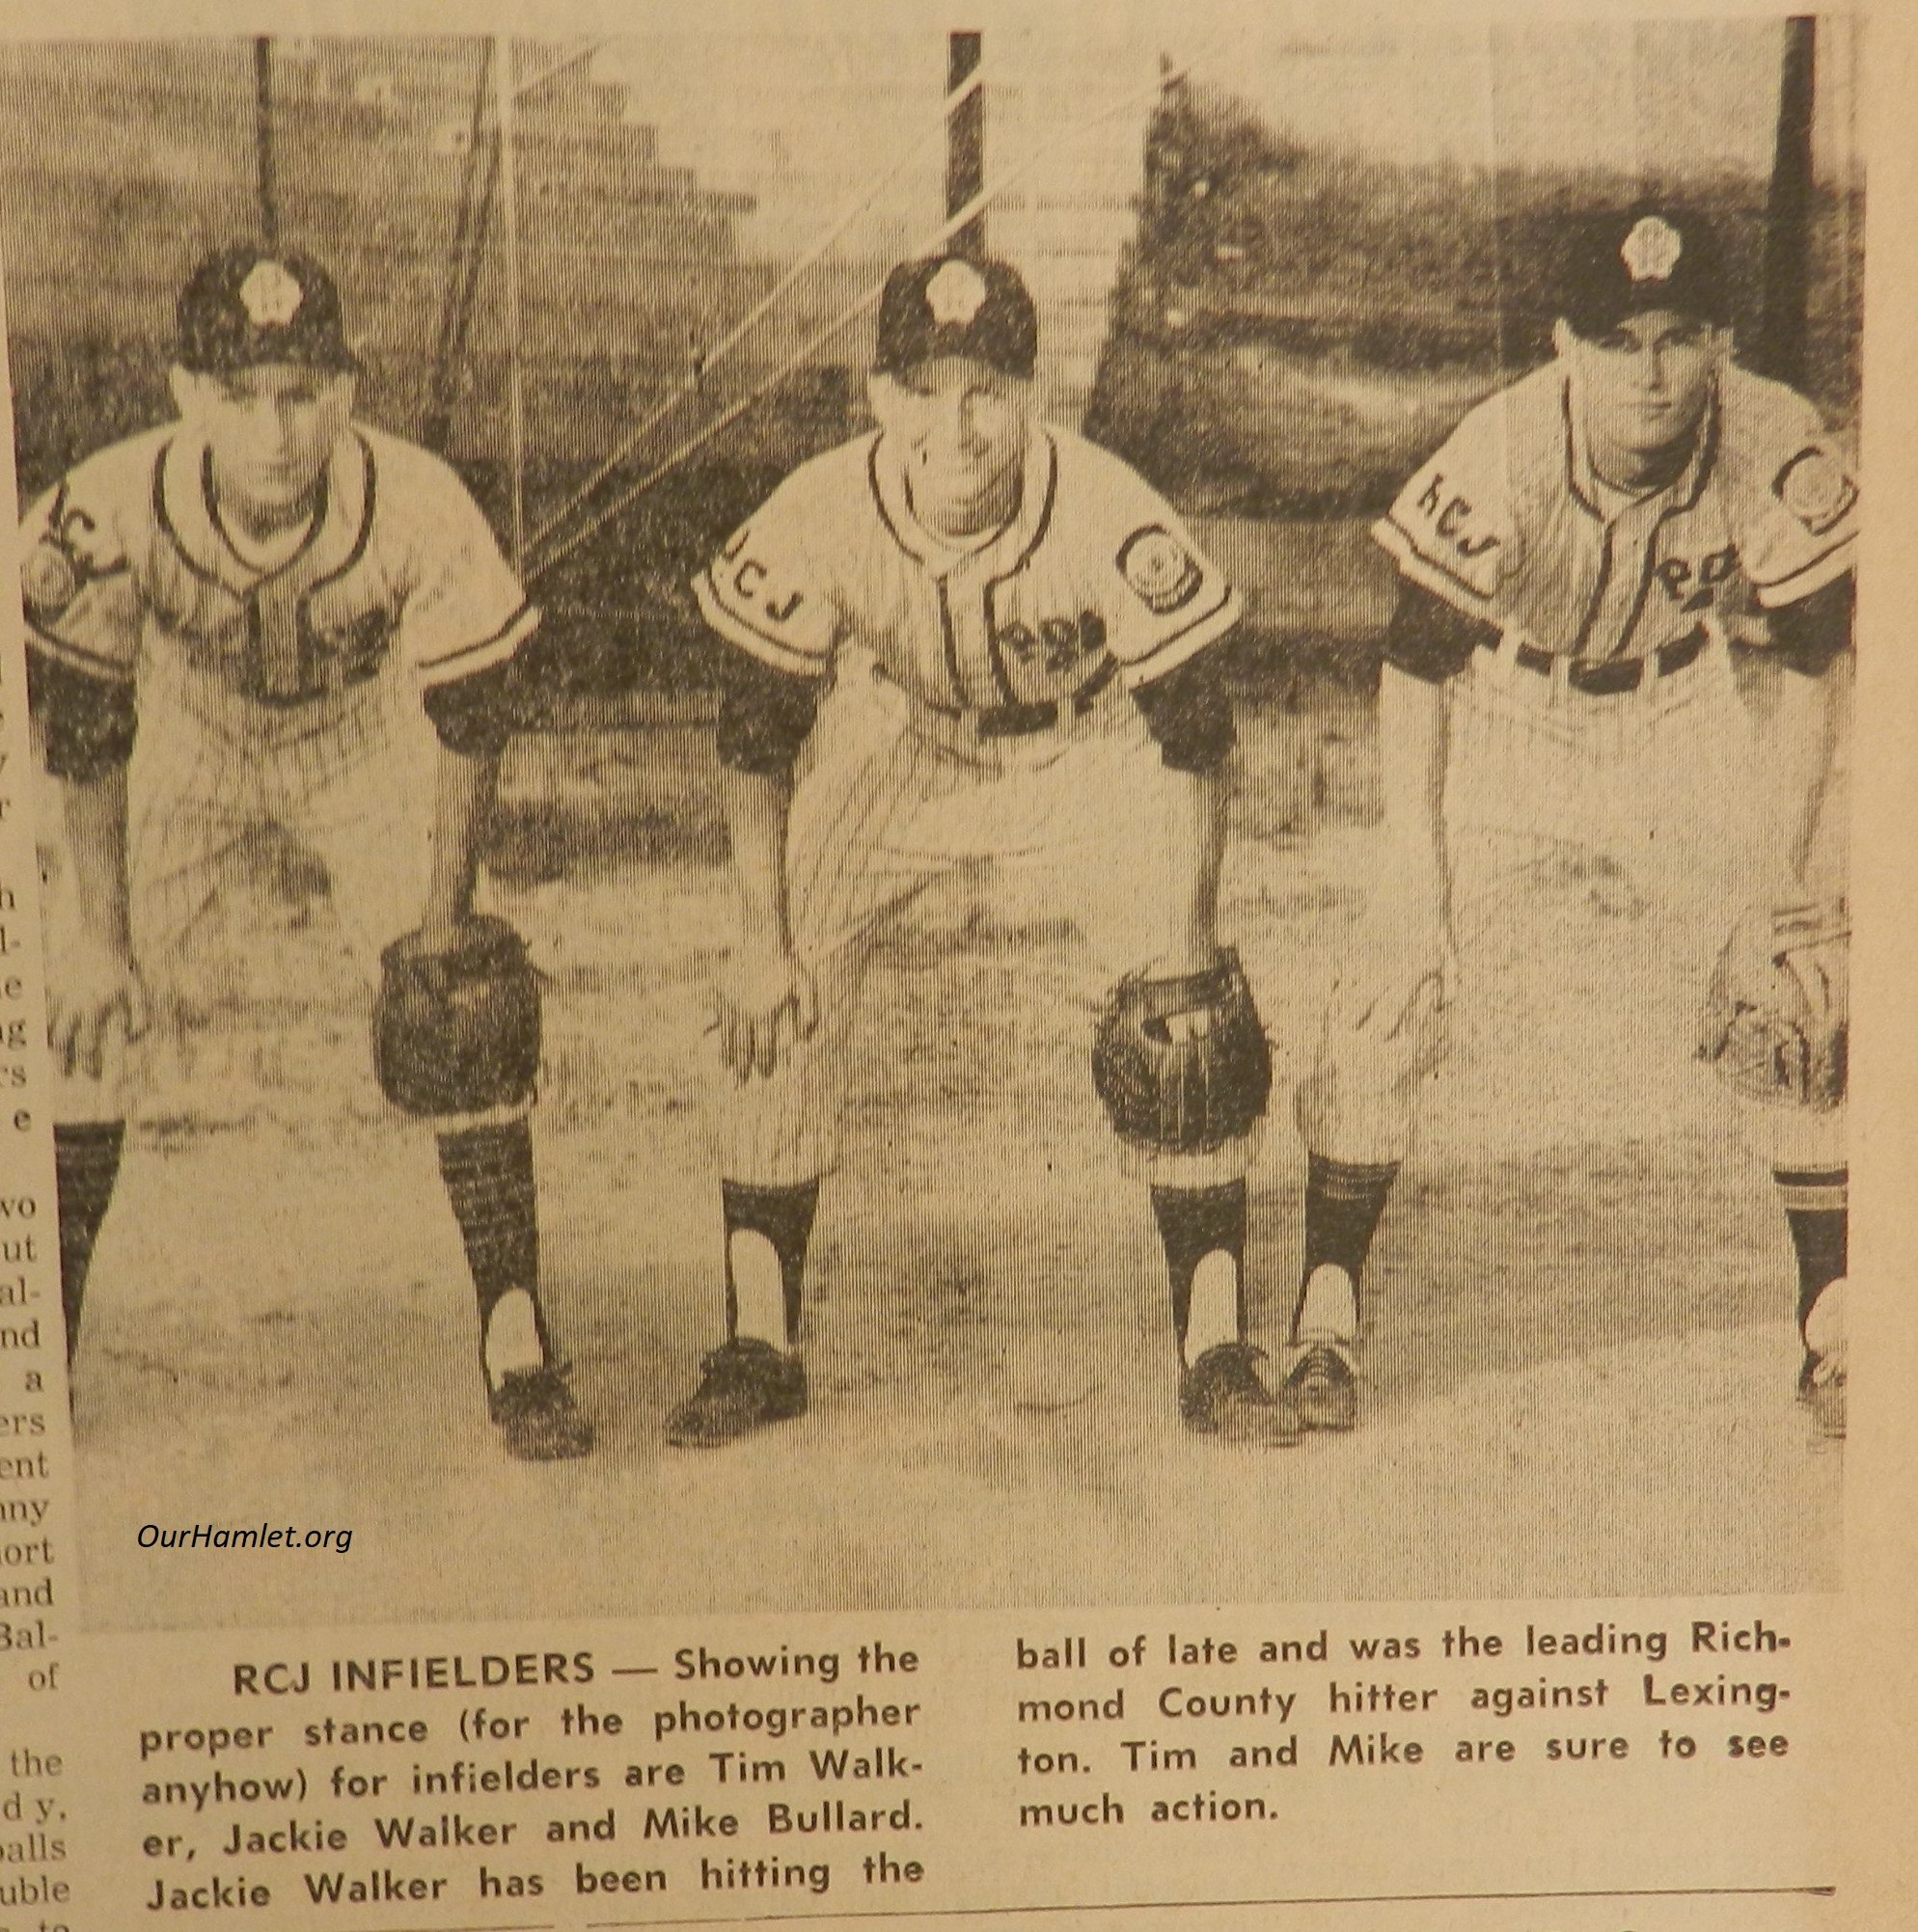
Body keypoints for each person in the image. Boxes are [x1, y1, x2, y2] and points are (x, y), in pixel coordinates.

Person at [671, 251, 1289, 1447]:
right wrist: (761, 932)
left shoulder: (1107, 507)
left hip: (1088, 748)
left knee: (1190, 1023)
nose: (956, 423)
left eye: (986, 388)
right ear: (880, 397)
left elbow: (1198, 733)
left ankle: (1214, 1346)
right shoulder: (818, 507)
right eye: (925, 387)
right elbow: (753, 732)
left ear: (1028, 394)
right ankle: (758, 1337)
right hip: (900, 740)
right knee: (772, 991)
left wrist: (1187, 933)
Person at [1288, 204, 1854, 1439]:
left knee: (1803, 972)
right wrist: (1408, 868)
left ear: (1715, 339)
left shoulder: (1771, 438)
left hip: (1678, 709)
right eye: (1614, 339)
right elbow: (1415, 660)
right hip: (1502, 708)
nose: (1646, 369)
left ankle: (1835, 1319)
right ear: (1561, 343)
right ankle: (1324, 1310)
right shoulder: (1497, 450)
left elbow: (1816, 653)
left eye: (1673, 334)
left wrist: (1776, 862)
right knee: (1389, 989)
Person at [23, 242, 591, 1459]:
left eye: (300, 393)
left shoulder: (420, 500)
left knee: (466, 1009)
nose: (275, 430)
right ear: (185, 392)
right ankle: (38, 1346)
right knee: (64, 1010)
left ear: (344, 390)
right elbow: (82, 726)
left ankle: (515, 1333)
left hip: (358, 739)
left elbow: (471, 715)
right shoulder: (110, 502)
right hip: (181, 741)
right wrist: (100, 941)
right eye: (241, 395)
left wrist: (437, 928)